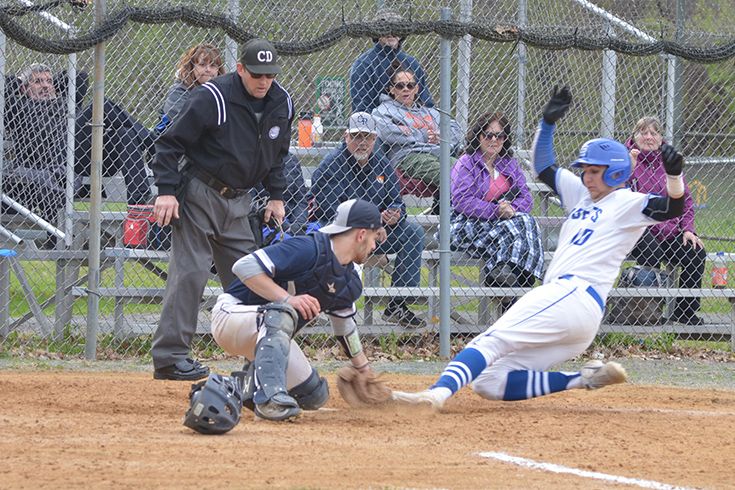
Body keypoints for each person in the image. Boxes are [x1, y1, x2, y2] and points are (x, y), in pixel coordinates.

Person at [392, 85, 687, 410]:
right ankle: (582, 379)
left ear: (615, 172)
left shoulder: (627, 202)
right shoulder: (581, 194)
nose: (586, 177)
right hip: (576, 314)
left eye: (594, 171)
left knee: (490, 341)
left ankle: (435, 395)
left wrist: (674, 176)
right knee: (489, 383)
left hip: (571, 295)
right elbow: (544, 166)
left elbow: (671, 208)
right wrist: (546, 124)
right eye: (585, 171)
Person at [150, 38, 294, 381]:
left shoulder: (281, 102)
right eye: (257, 74)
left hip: (240, 199)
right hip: (200, 191)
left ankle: (261, 356)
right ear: (240, 69)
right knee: (191, 271)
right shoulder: (212, 96)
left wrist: (276, 196)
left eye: (270, 75)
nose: (264, 82)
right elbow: (168, 142)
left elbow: (278, 154)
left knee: (250, 275)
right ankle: (170, 357)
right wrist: (166, 191)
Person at [211, 199, 386, 421]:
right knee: (281, 313)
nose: (374, 246)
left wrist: (363, 369)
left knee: (313, 395)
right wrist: (287, 299)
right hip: (232, 316)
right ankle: (269, 401)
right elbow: (243, 267)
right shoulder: (308, 248)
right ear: (361, 234)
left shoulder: (349, 281)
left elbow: (345, 327)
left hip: (266, 334)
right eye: (374, 237)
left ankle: (239, 386)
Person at [311, 112, 426, 328]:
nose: (362, 143)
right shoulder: (333, 164)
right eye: (357, 136)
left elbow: (397, 202)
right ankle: (334, 306)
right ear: (346, 136)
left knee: (413, 233)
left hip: (375, 235)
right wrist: (373, 222)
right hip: (341, 236)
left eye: (367, 137)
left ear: (375, 139)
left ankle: (397, 306)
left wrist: (394, 214)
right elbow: (331, 210)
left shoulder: (382, 164)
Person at [449, 112, 544, 311]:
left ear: (505, 138)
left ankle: (503, 277)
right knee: (524, 224)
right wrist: (495, 210)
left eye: (499, 136)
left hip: (505, 224)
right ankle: (517, 287)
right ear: (478, 136)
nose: (494, 140)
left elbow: (526, 198)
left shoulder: (509, 163)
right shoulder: (466, 162)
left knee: (525, 221)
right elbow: (462, 201)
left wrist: (510, 209)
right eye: (488, 135)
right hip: (467, 224)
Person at [626, 116, 706, 326]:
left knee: (695, 251)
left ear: (661, 138)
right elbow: (616, 194)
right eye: (643, 132)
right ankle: (649, 311)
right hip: (637, 230)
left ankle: (685, 311)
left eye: (654, 133)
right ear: (635, 137)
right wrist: (628, 168)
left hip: (668, 231)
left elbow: (686, 200)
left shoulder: (669, 162)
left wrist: (688, 230)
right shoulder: (626, 159)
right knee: (651, 251)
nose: (649, 137)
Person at [3, 63, 88, 229]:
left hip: (62, 169)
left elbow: (81, 77)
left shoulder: (67, 103)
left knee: (105, 105)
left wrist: (48, 83)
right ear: (24, 88)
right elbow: (4, 84)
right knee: (45, 184)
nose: (45, 86)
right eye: (38, 82)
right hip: (33, 171)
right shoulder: (19, 107)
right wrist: (20, 81)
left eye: (49, 81)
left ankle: (56, 239)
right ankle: (56, 238)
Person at [371, 64, 463, 201]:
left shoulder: (430, 112)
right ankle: (449, 212)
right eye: (400, 86)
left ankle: (445, 209)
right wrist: (425, 135)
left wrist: (442, 136)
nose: (405, 89)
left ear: (417, 89)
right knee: (446, 174)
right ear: (391, 90)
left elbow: (456, 130)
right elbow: (387, 132)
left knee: (467, 171)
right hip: (410, 156)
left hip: (440, 152)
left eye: (410, 85)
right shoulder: (383, 111)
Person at [350, 8, 434, 114]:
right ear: (376, 32)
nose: (391, 32)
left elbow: (426, 102)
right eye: (385, 29)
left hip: (413, 123)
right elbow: (361, 108)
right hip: (378, 124)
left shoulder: (412, 63)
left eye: (396, 29)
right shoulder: (364, 64)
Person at [155, 43, 225, 135]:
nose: (208, 69)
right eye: (202, 64)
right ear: (192, 67)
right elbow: (186, 124)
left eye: (213, 65)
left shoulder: (222, 91)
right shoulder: (179, 91)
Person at [249, 152, 309, 241]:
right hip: (265, 224)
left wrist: (298, 225)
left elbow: (300, 200)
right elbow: (251, 204)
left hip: (291, 220)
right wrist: (285, 227)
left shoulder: (291, 160)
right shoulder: (253, 159)